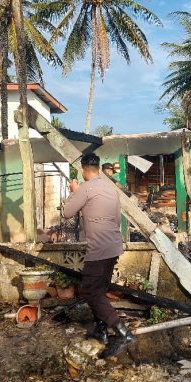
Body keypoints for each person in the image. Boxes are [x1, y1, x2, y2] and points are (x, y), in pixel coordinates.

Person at [62, 153, 135, 357]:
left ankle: (123, 332)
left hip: (99, 249)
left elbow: (67, 212)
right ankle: (101, 331)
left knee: (90, 291)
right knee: (99, 290)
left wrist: (74, 192)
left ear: (84, 171)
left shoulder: (85, 188)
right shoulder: (111, 188)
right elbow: (115, 216)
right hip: (113, 245)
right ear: (99, 169)